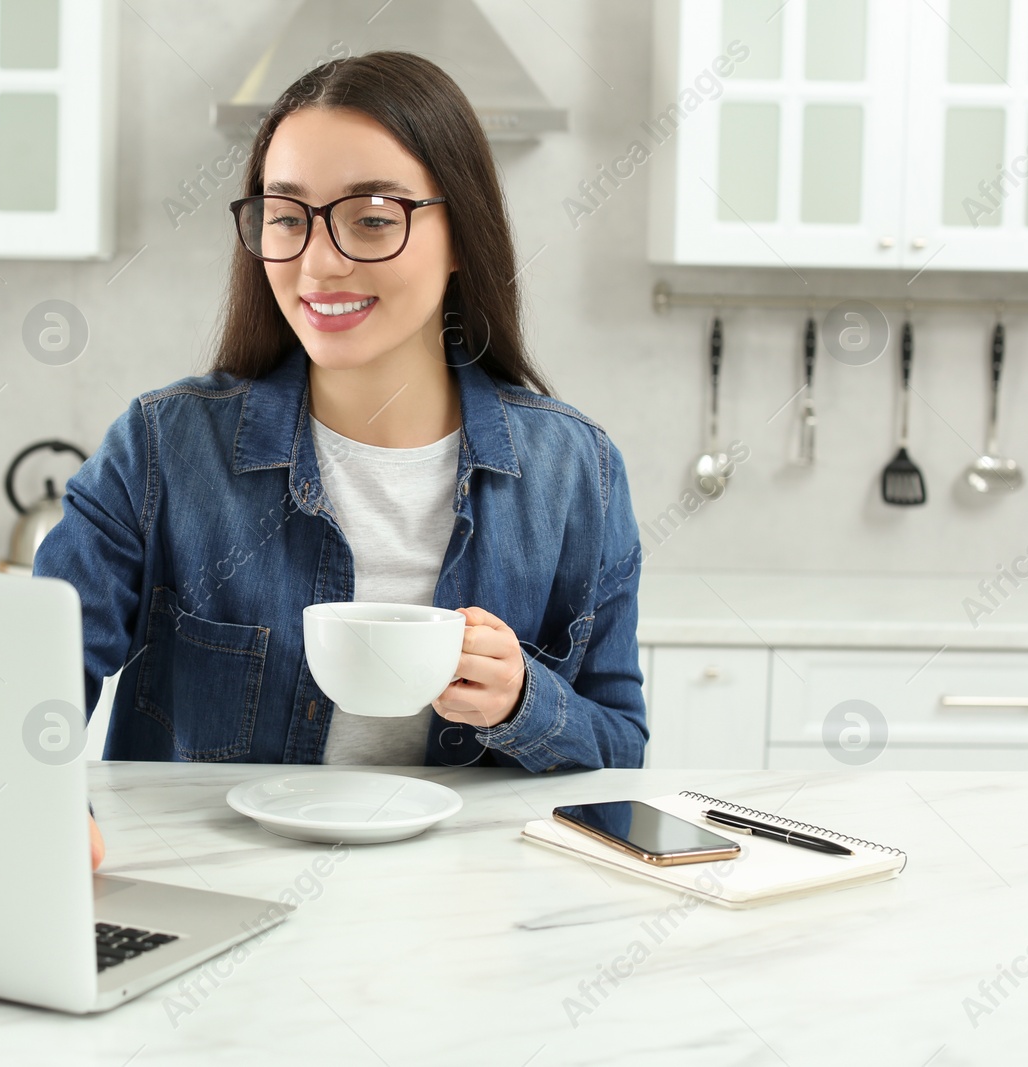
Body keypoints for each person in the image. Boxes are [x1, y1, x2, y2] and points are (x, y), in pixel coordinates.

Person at [36, 51, 647, 870]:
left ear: (462, 231)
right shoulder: (163, 449)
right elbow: (31, 683)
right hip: (218, 894)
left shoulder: (577, 474)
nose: (319, 262)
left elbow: (625, 750)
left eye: (371, 216)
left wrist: (525, 702)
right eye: (287, 217)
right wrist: (44, 811)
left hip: (467, 920)